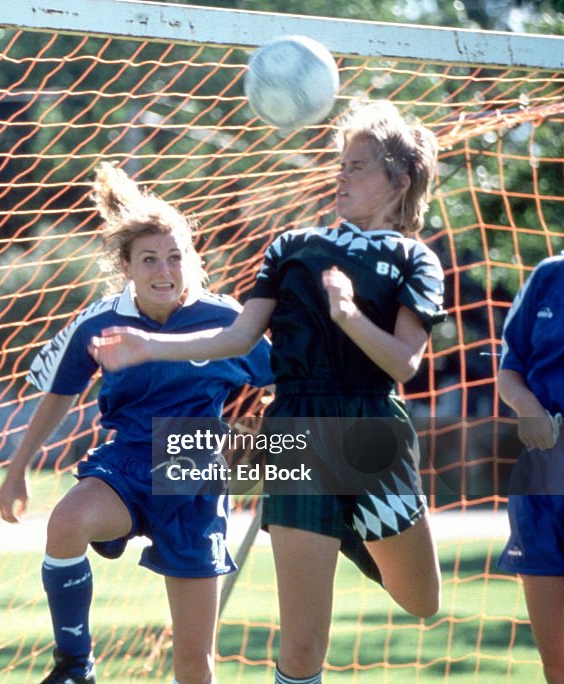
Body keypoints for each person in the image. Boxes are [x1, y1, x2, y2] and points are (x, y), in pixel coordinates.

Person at [89, 101, 445, 684]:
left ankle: (348, 524)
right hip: (296, 434)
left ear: (399, 180)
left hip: (373, 433)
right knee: (302, 646)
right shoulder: (292, 247)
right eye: (340, 164)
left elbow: (404, 363)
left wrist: (350, 314)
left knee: (423, 599)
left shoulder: (415, 260)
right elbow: (237, 336)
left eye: (357, 166)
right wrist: (149, 346)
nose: (341, 176)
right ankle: (329, 518)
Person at [0, 162, 273, 684]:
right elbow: (60, 392)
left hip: (193, 470)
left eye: (176, 256)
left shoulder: (225, 320)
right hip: (125, 463)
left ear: (192, 260)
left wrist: (279, 447)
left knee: (195, 662)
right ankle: (76, 664)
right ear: (126, 267)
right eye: (149, 259)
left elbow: (287, 379)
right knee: (65, 524)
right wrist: (17, 469)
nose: (164, 270)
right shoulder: (99, 322)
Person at [497, 252, 564, 684]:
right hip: (542, 480)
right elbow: (510, 370)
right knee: (557, 660)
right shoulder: (548, 275)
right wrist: (528, 408)